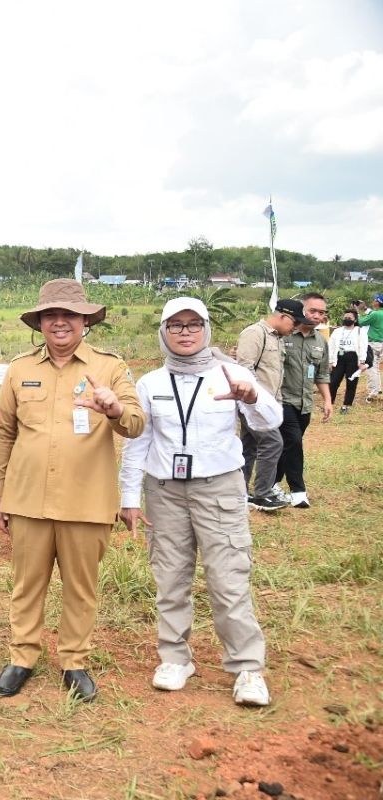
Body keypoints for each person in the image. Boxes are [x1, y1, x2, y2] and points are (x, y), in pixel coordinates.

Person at [0, 279, 144, 703]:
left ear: (85, 321)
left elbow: (135, 422)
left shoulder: (109, 368)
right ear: (40, 323)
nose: (60, 322)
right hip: (28, 498)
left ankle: (74, 662)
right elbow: (4, 433)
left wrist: (113, 408)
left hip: (86, 500)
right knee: (27, 584)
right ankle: (22, 657)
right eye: (50, 315)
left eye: (69, 315)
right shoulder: (21, 369)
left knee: (81, 587)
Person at [119, 298, 278, 707]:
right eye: (175, 326)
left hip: (219, 488)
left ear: (206, 329)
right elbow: (139, 443)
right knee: (170, 578)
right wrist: (128, 498)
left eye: (193, 324)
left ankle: (246, 668)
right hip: (165, 491)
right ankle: (175, 658)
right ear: (163, 332)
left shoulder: (232, 374)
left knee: (228, 578)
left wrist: (251, 397)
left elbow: (269, 423)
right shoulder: (151, 383)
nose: (185, 332)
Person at [235, 300, 304, 511]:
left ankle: (240, 493)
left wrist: (276, 404)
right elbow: (244, 370)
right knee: (273, 443)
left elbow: (275, 375)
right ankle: (262, 494)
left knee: (248, 448)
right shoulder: (255, 333)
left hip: (268, 405)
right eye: (294, 322)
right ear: (283, 316)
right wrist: (256, 402)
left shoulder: (278, 338)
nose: (296, 327)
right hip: (253, 404)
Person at [275, 292, 332, 509]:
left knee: (286, 446)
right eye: (313, 311)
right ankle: (298, 491)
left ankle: (271, 483)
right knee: (294, 443)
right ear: (302, 310)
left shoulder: (320, 341)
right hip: (282, 400)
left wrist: (327, 401)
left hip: (305, 403)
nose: (317, 316)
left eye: (321, 312)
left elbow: (322, 374)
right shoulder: (284, 335)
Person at [328, 309, 368, 413]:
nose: (347, 319)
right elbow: (331, 346)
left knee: (351, 382)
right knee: (333, 382)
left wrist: (362, 361)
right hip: (339, 358)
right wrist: (330, 361)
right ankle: (329, 403)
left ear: (355, 319)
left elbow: (363, 346)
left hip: (353, 358)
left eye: (349, 318)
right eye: (345, 317)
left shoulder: (359, 331)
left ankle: (346, 406)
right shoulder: (337, 331)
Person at [356, 295, 383, 401]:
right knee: (376, 367)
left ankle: (373, 393)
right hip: (381, 344)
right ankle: (378, 388)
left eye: (375, 300)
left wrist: (357, 310)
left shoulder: (375, 314)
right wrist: (365, 308)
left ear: (378, 302)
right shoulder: (378, 313)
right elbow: (372, 314)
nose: (373, 301)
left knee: (371, 368)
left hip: (374, 344)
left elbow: (361, 322)